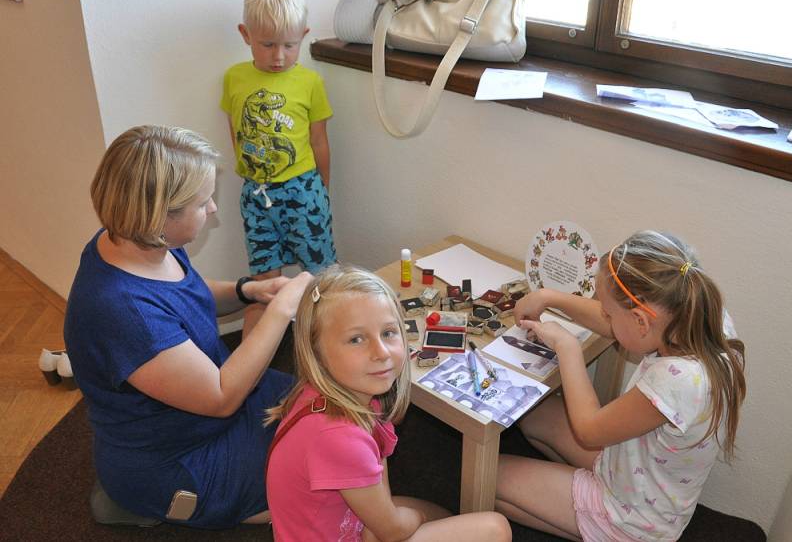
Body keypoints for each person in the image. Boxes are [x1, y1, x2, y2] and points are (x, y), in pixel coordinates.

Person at [64, 125, 313, 528]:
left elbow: (182, 293)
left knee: (323, 405)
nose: (212, 209)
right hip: (176, 461)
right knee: (317, 473)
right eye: (202, 202)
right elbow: (221, 397)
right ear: (158, 217)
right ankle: (144, 503)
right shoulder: (122, 311)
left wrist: (248, 291)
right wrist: (281, 310)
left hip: (204, 401)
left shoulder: (135, 242)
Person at [495, 230, 746, 541]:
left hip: (631, 517)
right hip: (630, 468)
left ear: (641, 321)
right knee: (532, 412)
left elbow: (588, 430)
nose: (605, 317)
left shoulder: (677, 382)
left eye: (608, 312)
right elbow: (623, 324)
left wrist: (567, 346)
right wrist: (549, 297)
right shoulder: (702, 317)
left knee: (485, 476)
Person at [265, 265, 512, 541]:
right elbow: (391, 530)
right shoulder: (338, 438)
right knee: (495, 529)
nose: (381, 352)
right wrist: (416, 521)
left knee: (443, 515)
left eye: (388, 332)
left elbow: (381, 495)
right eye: (356, 339)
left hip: (342, 524)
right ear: (317, 352)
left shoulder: (336, 394)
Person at [220, 0, 336, 338]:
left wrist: (322, 190)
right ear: (246, 35)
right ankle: (254, 358)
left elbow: (319, 140)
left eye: (289, 45)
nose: (279, 56)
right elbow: (236, 131)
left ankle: (326, 347)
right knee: (263, 282)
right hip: (257, 195)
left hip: (303, 191)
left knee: (321, 277)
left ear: (303, 36)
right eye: (268, 44)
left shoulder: (310, 82)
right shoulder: (234, 78)